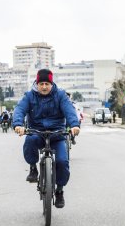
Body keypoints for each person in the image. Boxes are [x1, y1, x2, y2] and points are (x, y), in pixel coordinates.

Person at [13, 69, 80, 208]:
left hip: (57, 133)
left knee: (62, 161)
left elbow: (69, 110)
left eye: (47, 84)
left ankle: (60, 190)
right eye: (41, 83)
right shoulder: (29, 96)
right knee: (30, 140)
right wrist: (18, 125)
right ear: (37, 84)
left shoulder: (60, 95)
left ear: (52, 83)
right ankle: (33, 168)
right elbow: (19, 110)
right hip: (37, 131)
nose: (44, 87)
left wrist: (74, 125)